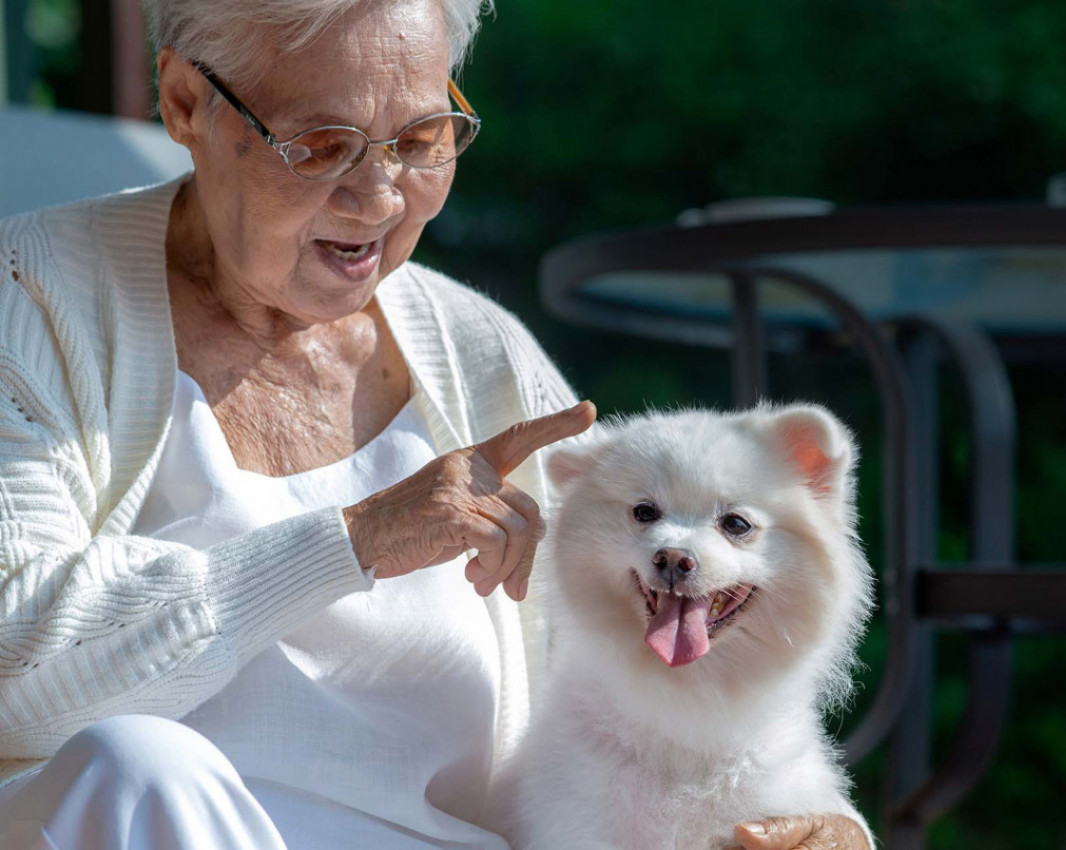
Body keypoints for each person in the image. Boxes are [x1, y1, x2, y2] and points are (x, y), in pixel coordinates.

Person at [0, 1, 872, 848]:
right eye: (321, 144)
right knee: (135, 765)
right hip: (143, 826)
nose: (379, 198)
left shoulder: (481, 354)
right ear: (185, 101)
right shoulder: (31, 300)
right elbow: (13, 663)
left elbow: (662, 707)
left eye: (420, 140)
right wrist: (358, 538)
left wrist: (814, 829)